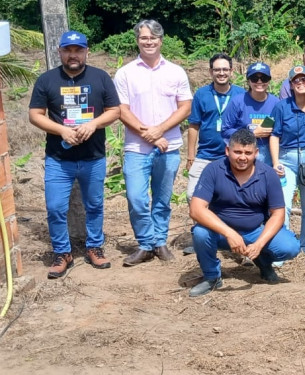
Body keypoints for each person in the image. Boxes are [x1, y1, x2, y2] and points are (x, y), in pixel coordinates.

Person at [28, 30, 121, 278]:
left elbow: (114, 111)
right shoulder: (46, 80)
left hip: (93, 157)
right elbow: (35, 115)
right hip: (59, 159)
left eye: (78, 50)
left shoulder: (100, 78)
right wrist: (61, 131)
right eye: (68, 50)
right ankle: (62, 253)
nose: (73, 55)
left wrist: (93, 124)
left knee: (95, 205)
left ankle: (94, 247)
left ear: (86, 52)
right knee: (56, 208)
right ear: (59, 52)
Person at [114, 20, 192, 267]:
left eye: (153, 38)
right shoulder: (125, 73)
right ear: (137, 40)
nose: (148, 42)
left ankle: (159, 241)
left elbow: (185, 107)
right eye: (144, 38)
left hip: (168, 147)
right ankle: (146, 243)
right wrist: (149, 134)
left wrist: (160, 130)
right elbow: (121, 110)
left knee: (162, 199)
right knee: (137, 198)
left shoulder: (176, 71)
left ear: (161, 40)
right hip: (137, 148)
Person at [188, 128, 300, 297]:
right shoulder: (213, 170)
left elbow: (278, 214)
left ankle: (263, 262)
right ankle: (212, 277)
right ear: (227, 151)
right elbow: (196, 209)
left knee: (290, 247)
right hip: (221, 232)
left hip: (255, 230)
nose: (242, 157)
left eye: (248, 153)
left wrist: (259, 243)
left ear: (256, 153)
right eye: (237, 152)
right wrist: (229, 233)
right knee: (200, 233)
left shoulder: (268, 174)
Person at [269, 66, 305, 256]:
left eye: (304, 79)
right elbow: (274, 135)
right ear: (290, 84)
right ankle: (285, 246)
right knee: (283, 205)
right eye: (296, 80)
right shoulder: (282, 106)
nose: (301, 83)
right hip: (287, 159)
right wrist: (275, 163)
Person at [186, 53, 245, 198]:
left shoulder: (241, 94)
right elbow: (194, 126)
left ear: (231, 71)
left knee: (230, 197)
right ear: (211, 72)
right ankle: (203, 220)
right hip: (205, 154)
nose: (221, 73)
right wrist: (190, 156)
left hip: (232, 156)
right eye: (217, 70)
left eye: (225, 69)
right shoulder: (201, 94)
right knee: (192, 195)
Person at [220, 62, 279, 168]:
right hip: (243, 151)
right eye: (254, 78)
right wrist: (251, 133)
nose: (259, 82)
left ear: (269, 80)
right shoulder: (237, 102)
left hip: (268, 152)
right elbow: (225, 130)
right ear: (248, 81)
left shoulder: (276, 103)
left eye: (264, 78)